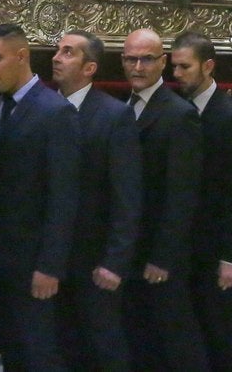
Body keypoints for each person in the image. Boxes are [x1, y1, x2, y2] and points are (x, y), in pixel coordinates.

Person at [0, 23, 79, 372]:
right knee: (13, 352)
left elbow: (63, 196)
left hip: (34, 262)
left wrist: (50, 265)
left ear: (21, 56)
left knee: (38, 354)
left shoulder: (55, 112)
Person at [50, 30, 139, 372]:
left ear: (89, 68)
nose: (57, 57)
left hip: (96, 258)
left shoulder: (113, 115)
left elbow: (126, 195)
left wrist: (116, 260)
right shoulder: (48, 108)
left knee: (103, 347)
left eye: (68, 52)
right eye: (58, 51)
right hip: (56, 258)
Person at [120, 28, 207, 371]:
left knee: (175, 338)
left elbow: (181, 194)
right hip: (132, 247)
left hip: (161, 252)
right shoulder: (125, 107)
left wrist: (163, 256)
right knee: (141, 339)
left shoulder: (178, 114)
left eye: (146, 59)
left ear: (162, 63)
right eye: (130, 59)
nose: (137, 67)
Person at [170, 32, 232, 372]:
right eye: (174, 67)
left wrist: (231, 257)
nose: (177, 74)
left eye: (185, 67)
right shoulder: (179, 110)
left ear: (209, 66)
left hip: (217, 246)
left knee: (222, 334)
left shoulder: (231, 117)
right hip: (188, 245)